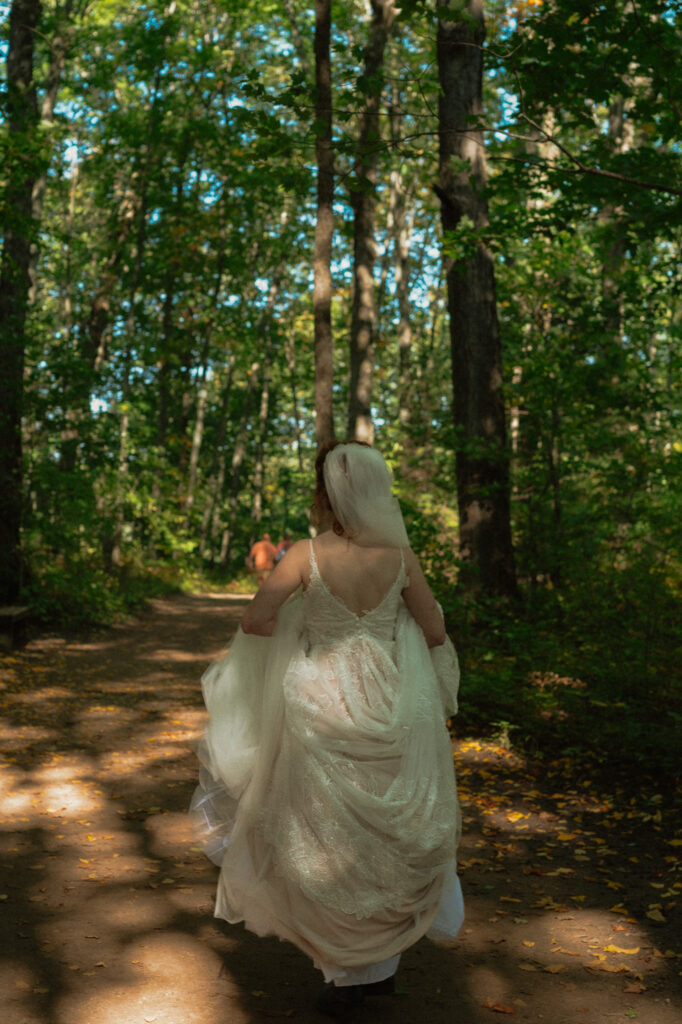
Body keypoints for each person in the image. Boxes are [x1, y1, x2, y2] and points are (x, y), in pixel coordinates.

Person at [191, 441, 463, 1015]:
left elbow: (256, 620)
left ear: (328, 493)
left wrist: (307, 625)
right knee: (387, 830)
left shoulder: (305, 555)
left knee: (323, 834)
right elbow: (435, 631)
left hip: (319, 700)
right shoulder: (399, 553)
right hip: (391, 701)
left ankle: (344, 972)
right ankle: (380, 963)